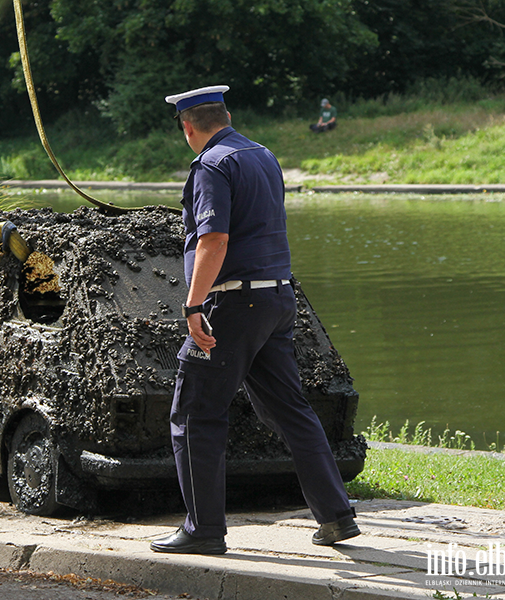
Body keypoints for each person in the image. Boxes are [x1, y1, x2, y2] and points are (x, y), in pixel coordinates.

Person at [150, 85, 359, 555]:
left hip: (231, 306)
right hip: (278, 299)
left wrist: (193, 305)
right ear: (227, 115)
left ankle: (203, 531)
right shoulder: (261, 154)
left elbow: (214, 240)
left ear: (187, 127)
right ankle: (336, 516)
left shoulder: (211, 165)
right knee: (290, 410)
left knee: (194, 414)